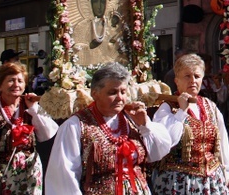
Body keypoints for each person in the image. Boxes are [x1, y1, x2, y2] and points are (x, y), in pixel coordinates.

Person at [45, 62, 172, 194]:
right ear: (95, 94)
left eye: (123, 92)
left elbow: (159, 152)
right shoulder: (75, 125)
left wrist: (145, 125)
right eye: (112, 92)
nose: (120, 98)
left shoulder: (132, 119)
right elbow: (64, 175)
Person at [0, 61, 58, 194]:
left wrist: (33, 109)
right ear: (0, 86)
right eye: (11, 80)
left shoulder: (30, 107)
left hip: (28, 176)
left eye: (20, 81)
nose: (16, 85)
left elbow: (47, 134)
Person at [152, 53, 229, 193]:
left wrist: (227, 173)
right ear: (177, 80)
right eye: (187, 76)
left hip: (212, 180)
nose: (193, 81)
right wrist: (181, 112)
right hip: (177, 182)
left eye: (197, 76)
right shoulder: (167, 107)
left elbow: (222, 141)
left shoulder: (210, 106)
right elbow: (164, 143)